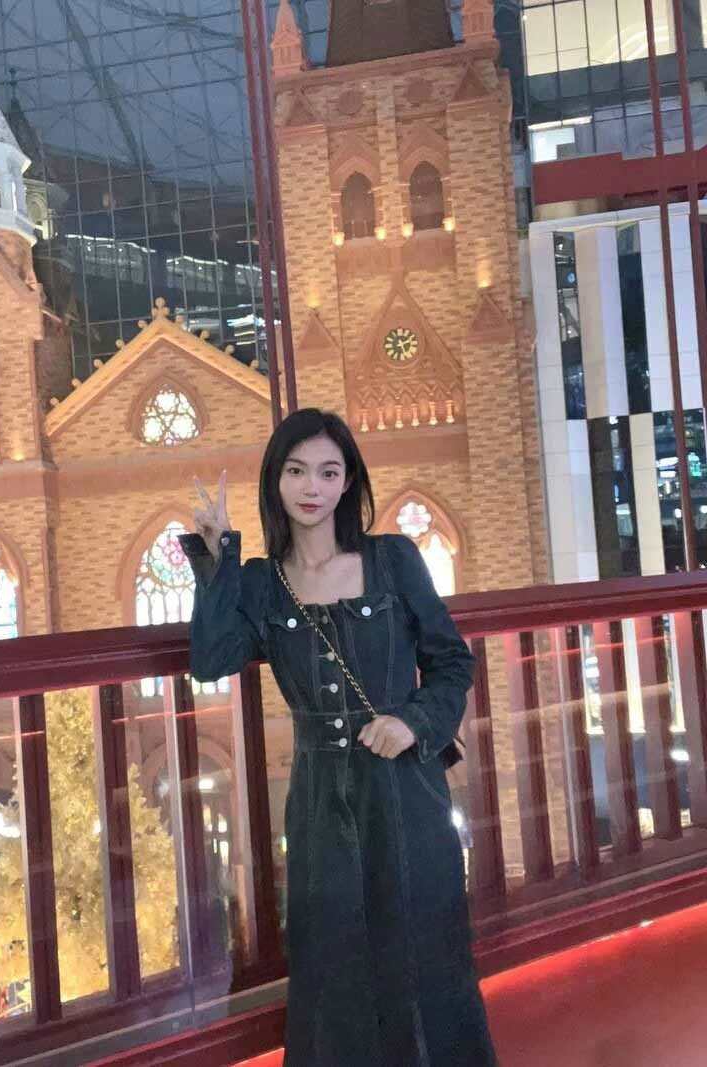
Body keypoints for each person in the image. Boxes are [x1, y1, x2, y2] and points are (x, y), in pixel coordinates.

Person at [178, 408, 498, 1066]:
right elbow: (210, 659)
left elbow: (451, 662)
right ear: (275, 481)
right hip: (321, 800)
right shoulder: (263, 582)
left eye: (328, 472)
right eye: (296, 471)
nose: (312, 487)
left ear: (349, 481)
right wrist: (218, 557)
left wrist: (412, 721)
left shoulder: (392, 559)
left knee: (424, 952)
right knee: (334, 964)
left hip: (404, 786)